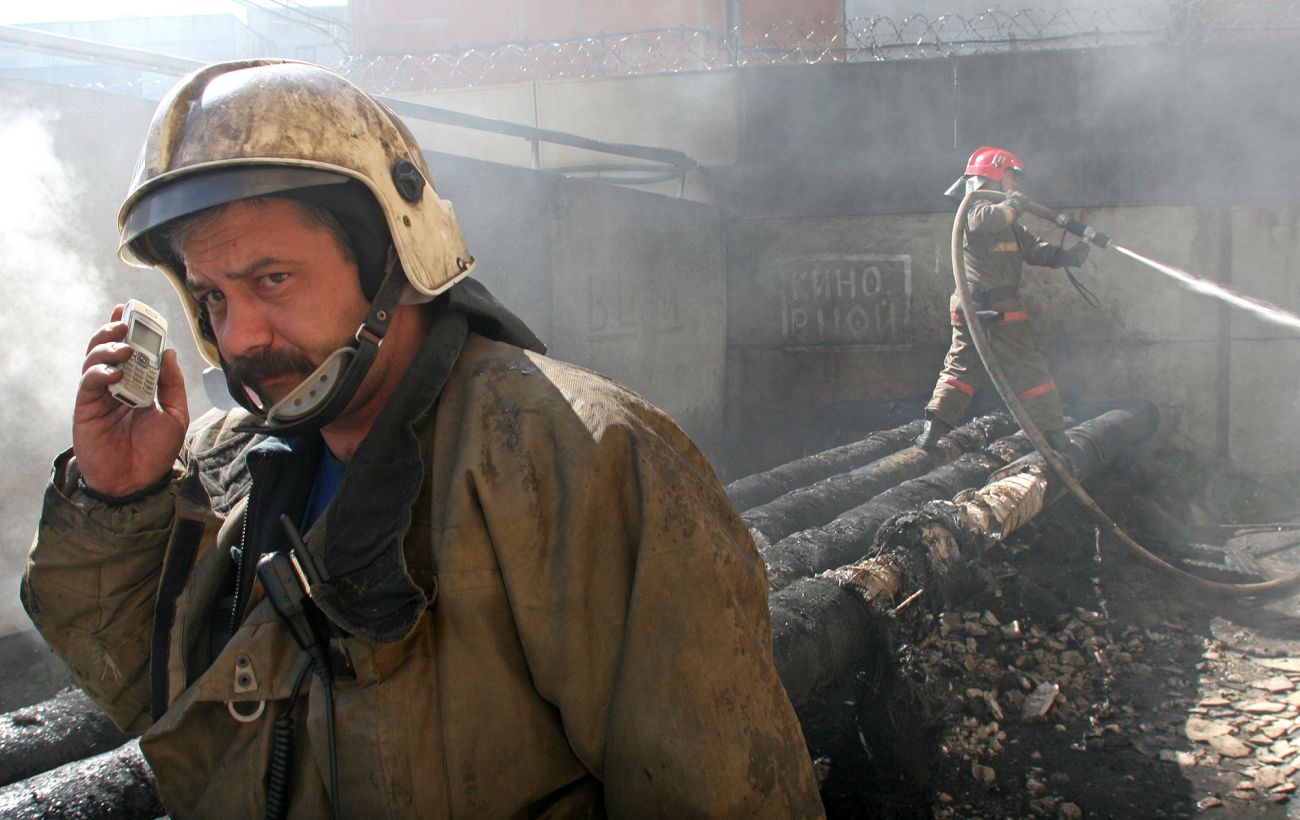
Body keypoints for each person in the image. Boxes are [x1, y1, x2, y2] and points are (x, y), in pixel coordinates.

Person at [21, 59, 824, 818]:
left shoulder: (583, 457)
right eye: (214, 298)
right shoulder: (227, 464)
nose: (242, 338)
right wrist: (118, 497)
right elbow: (164, 710)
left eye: (273, 279)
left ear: (392, 258)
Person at [915, 146, 1089, 451]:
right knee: (965, 368)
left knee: (1024, 369)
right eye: (1011, 176)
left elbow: (1034, 249)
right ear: (994, 174)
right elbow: (985, 221)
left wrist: (1067, 256)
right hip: (975, 306)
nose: (1015, 185)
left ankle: (1053, 433)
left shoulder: (1009, 220)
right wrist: (1013, 206)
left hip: (1003, 307)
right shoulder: (974, 208)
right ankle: (933, 431)